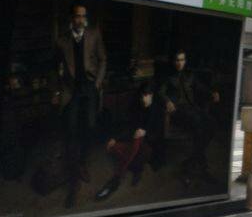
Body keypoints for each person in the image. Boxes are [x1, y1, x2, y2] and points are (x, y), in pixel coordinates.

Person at [53, 3, 107, 208]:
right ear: (71, 18)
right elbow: (52, 68)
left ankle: (83, 161)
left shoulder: (94, 35)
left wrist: (97, 83)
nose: (80, 20)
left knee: (90, 127)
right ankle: (74, 182)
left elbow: (103, 60)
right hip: (71, 92)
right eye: (77, 16)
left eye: (83, 16)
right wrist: (57, 90)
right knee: (72, 131)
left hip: (90, 89)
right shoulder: (61, 41)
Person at [159, 50, 221, 188]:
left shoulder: (190, 76)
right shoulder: (168, 77)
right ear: (173, 62)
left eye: (182, 60)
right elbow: (160, 92)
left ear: (185, 61)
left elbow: (200, 88)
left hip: (192, 109)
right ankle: (202, 169)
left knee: (212, 124)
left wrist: (212, 93)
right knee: (199, 125)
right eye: (177, 60)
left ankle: (189, 163)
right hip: (178, 112)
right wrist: (167, 101)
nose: (179, 63)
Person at [94, 82, 164, 201]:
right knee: (114, 146)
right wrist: (115, 138)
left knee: (136, 142)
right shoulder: (138, 108)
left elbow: (159, 133)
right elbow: (130, 128)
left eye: (146, 95)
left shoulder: (157, 110)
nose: (143, 99)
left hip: (148, 144)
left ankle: (116, 180)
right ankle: (136, 168)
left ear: (151, 95)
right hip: (134, 141)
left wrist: (145, 132)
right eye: (141, 96)